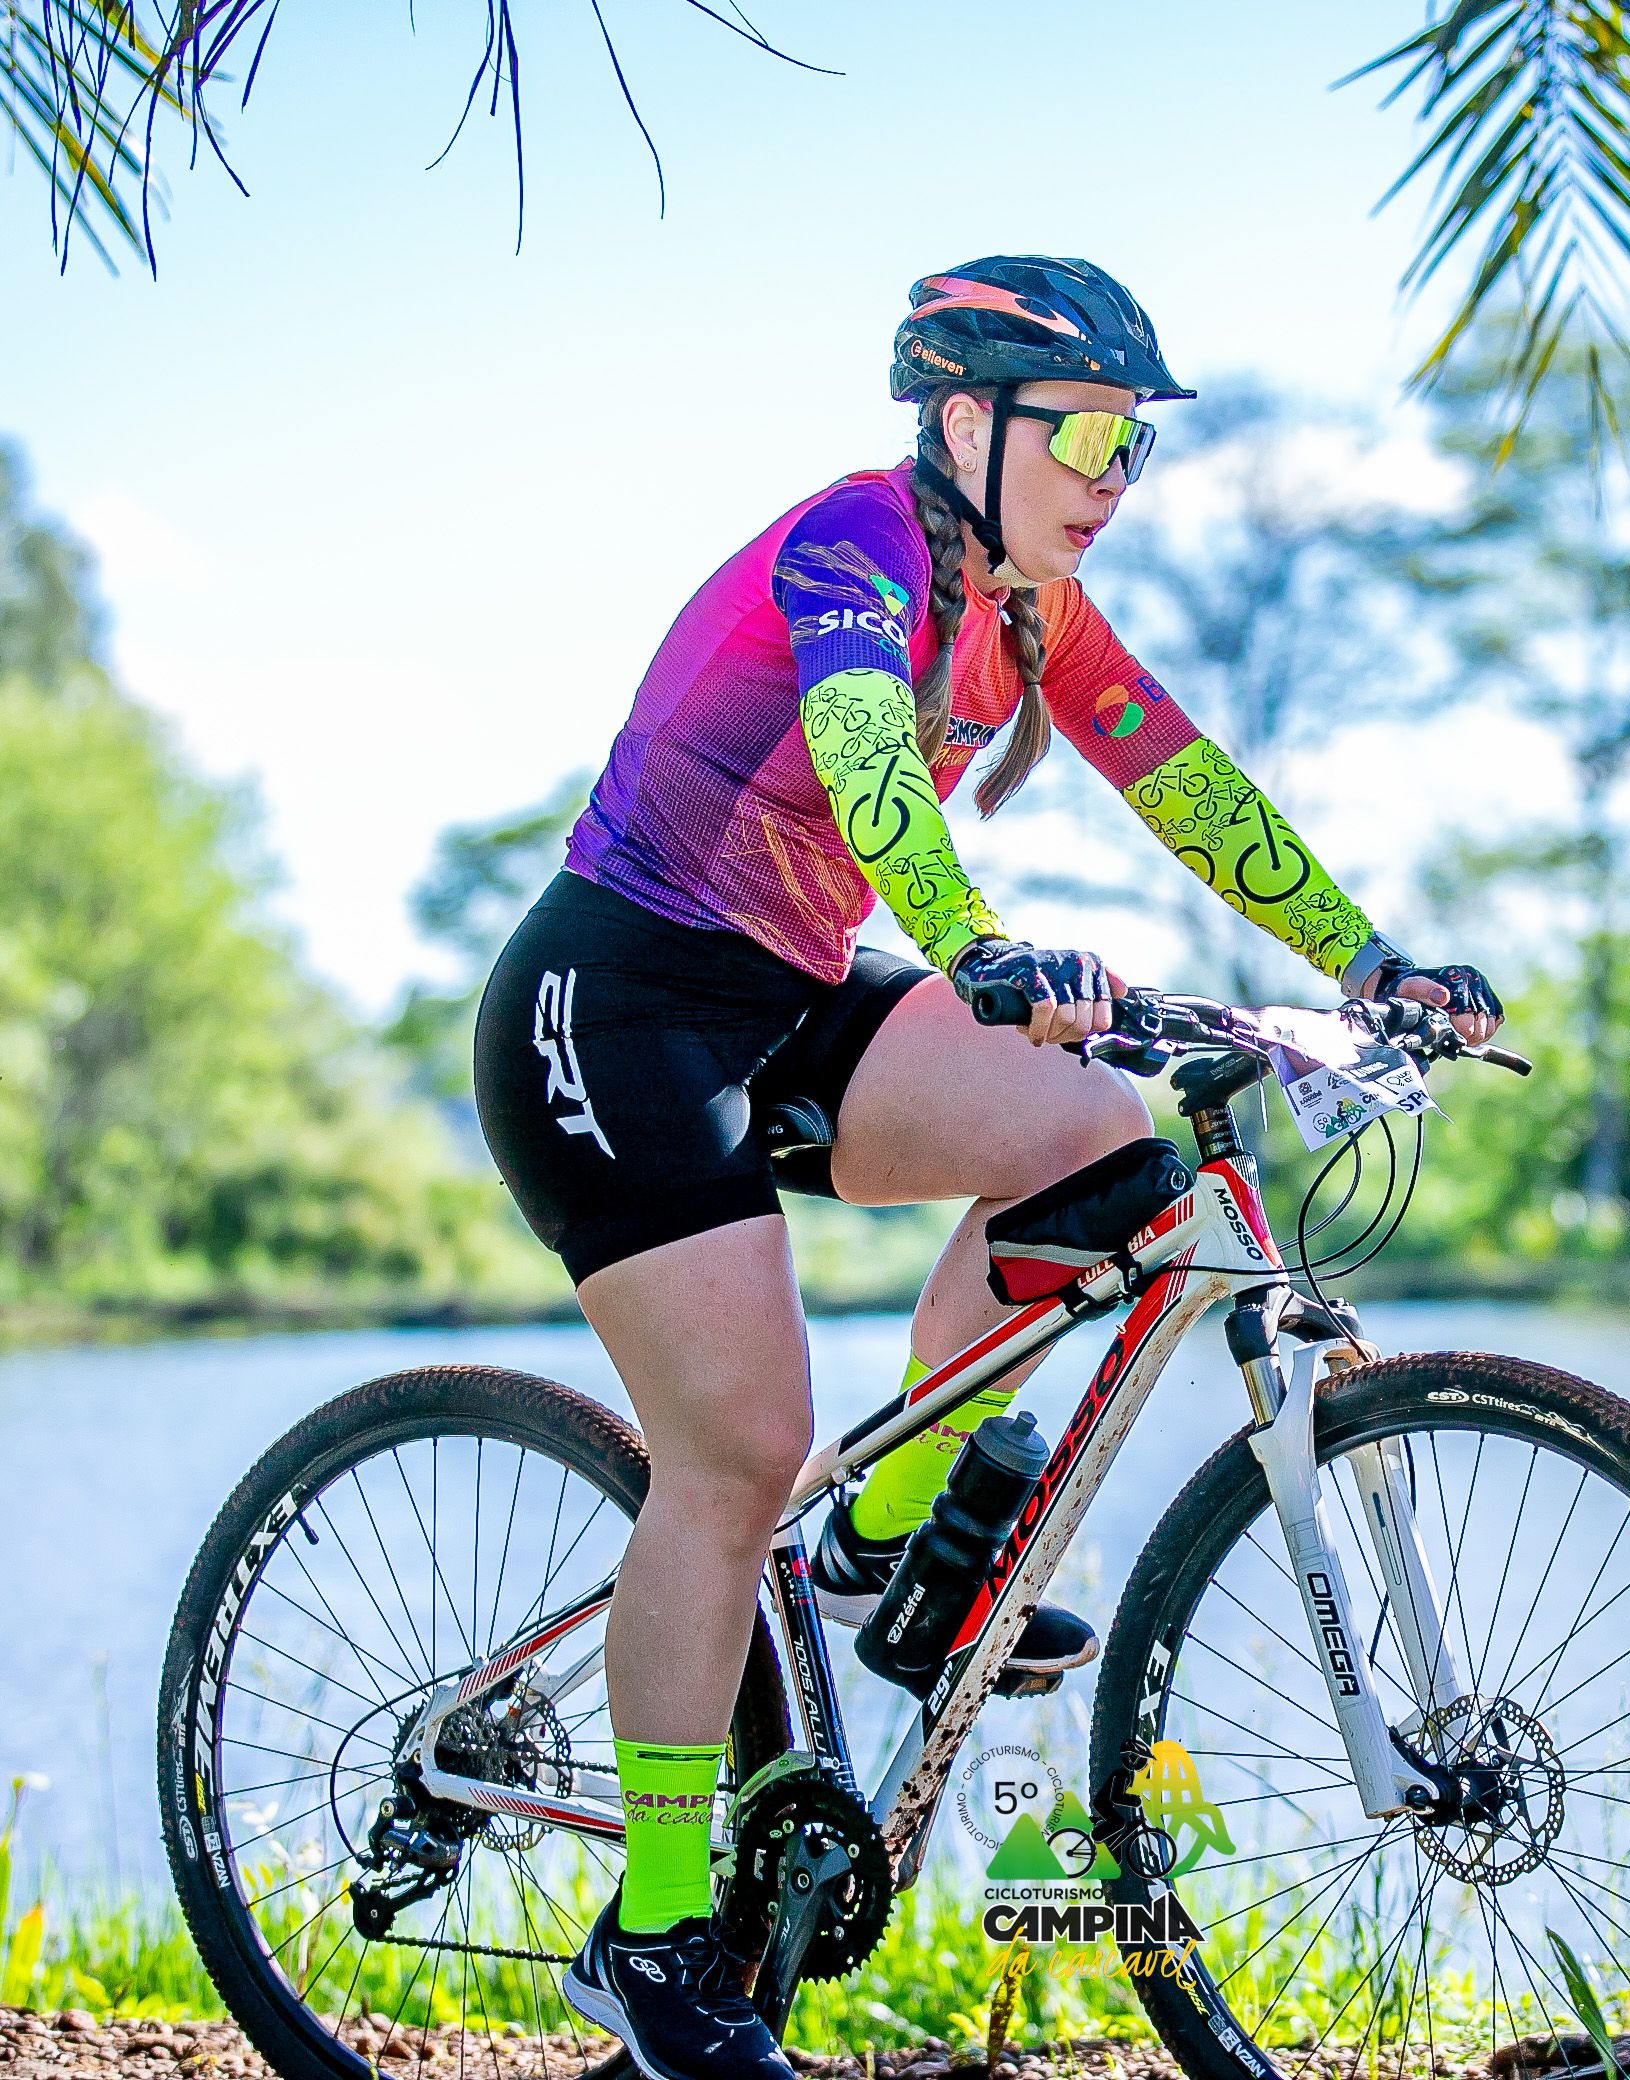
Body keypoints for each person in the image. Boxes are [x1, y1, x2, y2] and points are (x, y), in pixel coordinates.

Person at [469, 255, 1503, 2080]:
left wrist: (1370, 964)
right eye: (1087, 436)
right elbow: (872, 767)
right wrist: (976, 951)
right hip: (616, 1005)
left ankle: (890, 1539)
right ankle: (654, 1930)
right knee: (735, 1454)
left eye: (1133, 446)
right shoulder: (853, 546)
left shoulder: (1037, 612)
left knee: (1103, 1136)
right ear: (968, 424)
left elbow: (1184, 780)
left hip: (790, 991)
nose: (1115, 477)